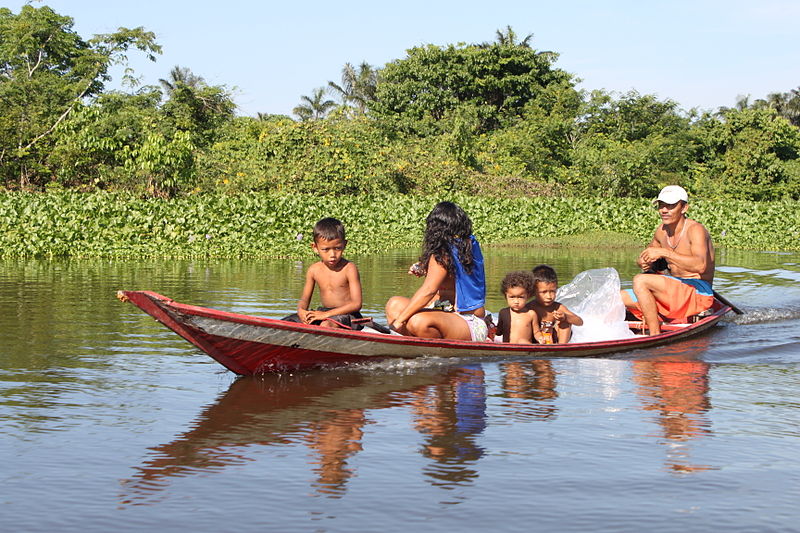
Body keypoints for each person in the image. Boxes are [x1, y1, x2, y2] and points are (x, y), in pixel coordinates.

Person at [384, 202, 488, 341]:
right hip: (447, 310)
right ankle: (407, 346)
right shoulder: (465, 246)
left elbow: (429, 290)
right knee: (394, 304)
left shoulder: (446, 253)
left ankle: (411, 344)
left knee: (418, 321)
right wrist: (425, 267)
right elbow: (451, 273)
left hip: (470, 323)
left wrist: (397, 322)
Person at [620, 185, 715, 335]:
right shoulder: (661, 230)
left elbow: (700, 266)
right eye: (661, 205)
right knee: (616, 298)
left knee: (641, 280)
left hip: (697, 293)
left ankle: (654, 334)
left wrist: (665, 252)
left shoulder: (695, 230)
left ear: (684, 208)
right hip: (672, 292)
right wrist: (644, 261)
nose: (664, 210)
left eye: (670, 206)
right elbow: (644, 259)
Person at [283, 217, 363, 328]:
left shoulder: (349, 268)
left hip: (348, 315)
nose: (332, 255)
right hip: (323, 312)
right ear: (315, 247)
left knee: (326, 324)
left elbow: (356, 304)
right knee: (288, 322)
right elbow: (305, 299)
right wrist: (301, 310)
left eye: (337, 248)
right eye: (326, 249)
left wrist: (326, 315)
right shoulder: (313, 270)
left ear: (345, 244)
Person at [528, 265, 583, 344]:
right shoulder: (530, 307)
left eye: (553, 291)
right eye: (544, 292)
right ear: (533, 291)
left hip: (555, 341)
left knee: (565, 322)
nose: (549, 296)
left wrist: (565, 317)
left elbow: (580, 322)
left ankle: (562, 347)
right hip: (535, 340)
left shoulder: (558, 307)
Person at [496, 271, 540, 344]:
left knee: (523, 341)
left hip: (526, 349)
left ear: (528, 296)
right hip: (508, 349)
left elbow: (536, 332)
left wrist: (540, 338)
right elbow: (498, 332)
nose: (516, 301)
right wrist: (491, 328)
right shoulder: (503, 313)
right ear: (505, 296)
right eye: (512, 297)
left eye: (520, 297)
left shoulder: (531, 314)